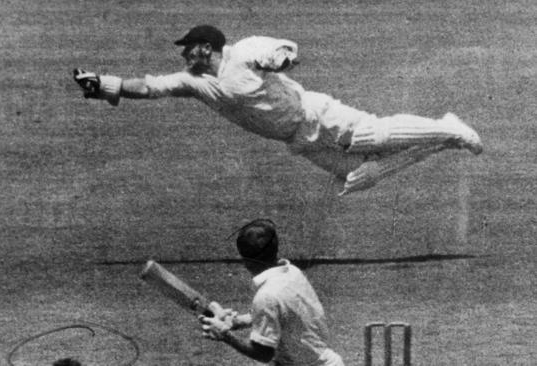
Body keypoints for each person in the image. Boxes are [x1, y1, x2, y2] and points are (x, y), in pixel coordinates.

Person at [73, 25, 482, 195]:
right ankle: (445, 137)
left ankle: (445, 127)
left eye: (188, 48)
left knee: (373, 135)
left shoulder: (244, 51)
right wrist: (105, 84)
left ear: (205, 47)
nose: (184, 54)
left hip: (313, 112)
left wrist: (280, 60)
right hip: (296, 138)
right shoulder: (195, 82)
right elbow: (148, 86)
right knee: (357, 178)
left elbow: (285, 51)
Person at [198, 219, 344, 365]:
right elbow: (284, 314)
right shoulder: (292, 272)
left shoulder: (266, 296)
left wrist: (224, 334)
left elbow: (264, 354)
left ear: (246, 262)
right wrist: (239, 321)